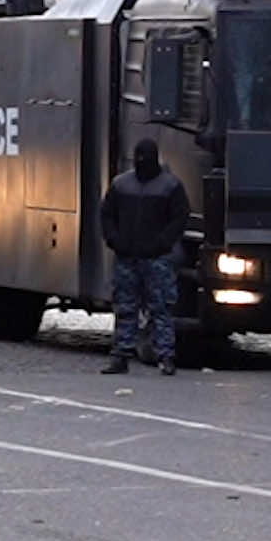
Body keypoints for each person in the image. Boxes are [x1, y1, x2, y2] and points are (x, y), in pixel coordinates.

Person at [99, 137, 190, 376]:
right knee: (131, 308)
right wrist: (116, 240)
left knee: (156, 309)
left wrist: (161, 244)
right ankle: (127, 355)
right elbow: (107, 216)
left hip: (153, 257)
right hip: (135, 256)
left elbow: (179, 219)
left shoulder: (158, 186)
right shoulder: (133, 185)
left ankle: (160, 355)